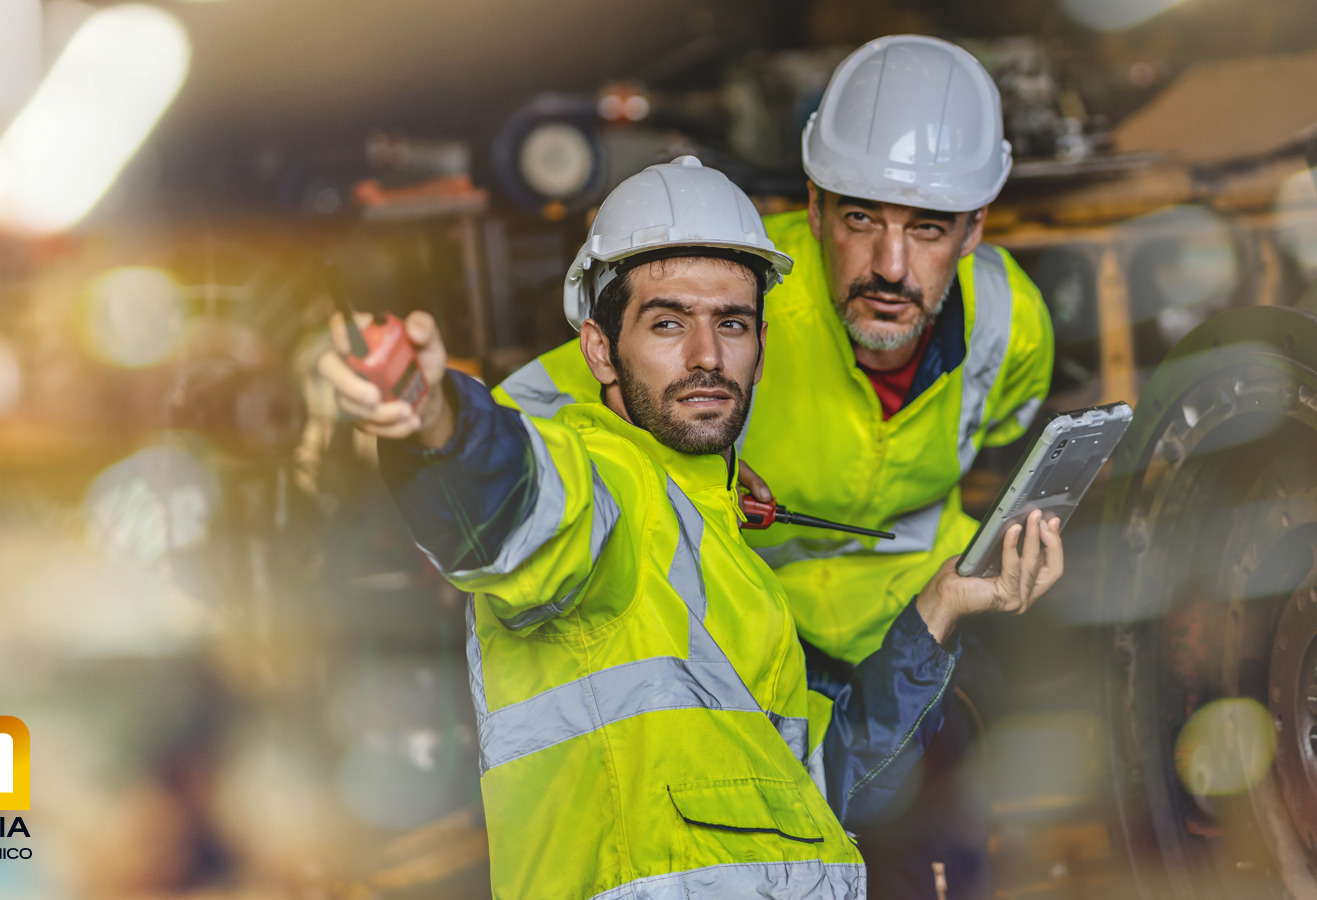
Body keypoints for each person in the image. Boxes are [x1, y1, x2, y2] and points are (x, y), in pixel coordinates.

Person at [320, 155, 1062, 900]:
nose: (707, 357)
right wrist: (434, 418)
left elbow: (837, 783)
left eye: (732, 324)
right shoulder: (608, 485)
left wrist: (943, 606)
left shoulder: (740, 581)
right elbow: (519, 495)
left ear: (762, 351)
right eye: (668, 322)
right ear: (600, 350)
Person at [493, 36, 1055, 897]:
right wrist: (692, 473)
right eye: (861, 219)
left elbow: (1000, 438)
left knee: (951, 839)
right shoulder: (734, 297)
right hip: (771, 659)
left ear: (977, 228)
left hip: (920, 633)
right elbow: (532, 419)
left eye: (930, 229)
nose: (891, 268)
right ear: (817, 205)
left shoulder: (1010, 326)